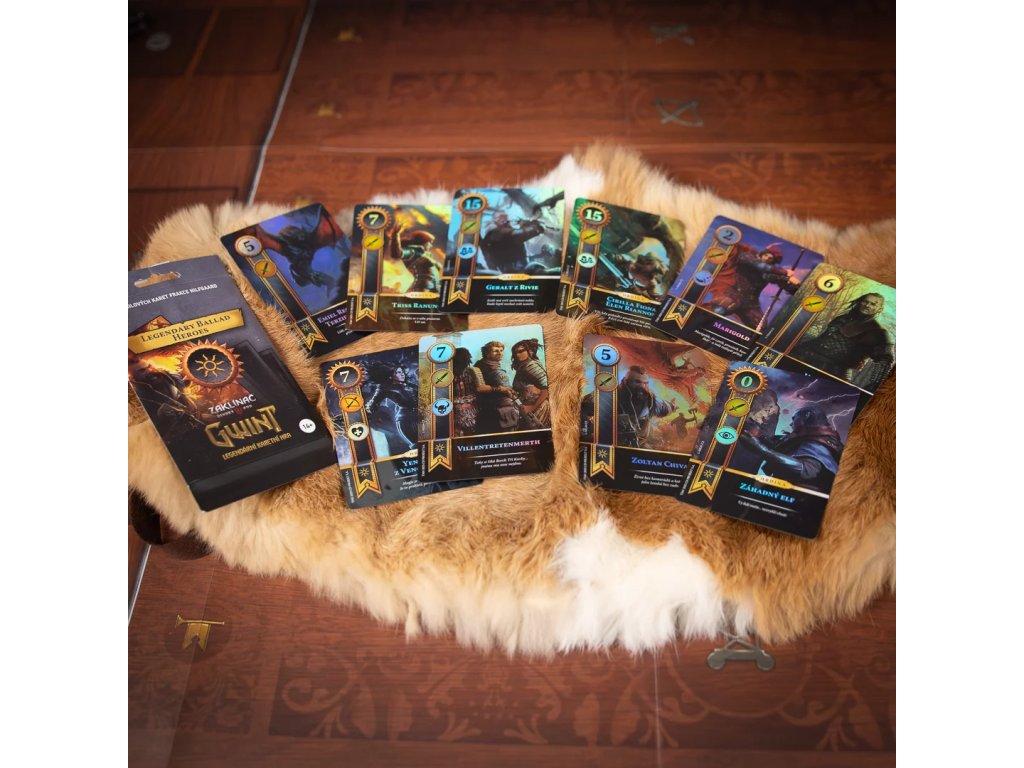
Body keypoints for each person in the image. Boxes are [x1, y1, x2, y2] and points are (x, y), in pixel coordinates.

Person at [791, 292, 894, 390]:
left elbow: (885, 361)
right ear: (860, 302)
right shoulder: (842, 319)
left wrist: (874, 386)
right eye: (865, 301)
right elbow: (822, 339)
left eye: (873, 304)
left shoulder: (878, 332)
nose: (867, 305)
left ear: (880, 309)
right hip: (807, 359)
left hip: (836, 373)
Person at [737, 406, 844, 493]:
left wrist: (762, 450)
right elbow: (783, 446)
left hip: (795, 497)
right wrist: (759, 437)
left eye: (794, 419)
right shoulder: (807, 437)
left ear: (806, 417)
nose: (791, 424)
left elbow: (806, 470)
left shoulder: (818, 443)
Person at [703, 242, 799, 329]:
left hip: (750, 304)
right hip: (732, 294)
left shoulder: (770, 272)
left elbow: (775, 278)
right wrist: (784, 272)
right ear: (762, 253)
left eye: (771, 258)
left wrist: (792, 284)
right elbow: (760, 266)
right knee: (725, 306)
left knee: (760, 327)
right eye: (766, 255)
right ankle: (699, 320)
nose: (767, 258)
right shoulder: (747, 256)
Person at [582, 365, 676, 448]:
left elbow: (665, 407)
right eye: (638, 382)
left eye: (646, 383)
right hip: (609, 445)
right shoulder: (608, 395)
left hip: (639, 446)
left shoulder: (651, 401)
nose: (642, 386)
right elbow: (582, 408)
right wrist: (587, 433)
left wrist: (672, 406)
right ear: (626, 381)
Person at [363, 360, 418, 455]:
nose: (402, 374)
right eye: (398, 372)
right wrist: (368, 410)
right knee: (417, 447)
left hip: (422, 416)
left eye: (402, 371)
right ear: (391, 375)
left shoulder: (412, 386)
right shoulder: (385, 388)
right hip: (406, 420)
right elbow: (372, 404)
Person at [473, 341, 519, 433]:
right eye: (496, 351)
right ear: (487, 353)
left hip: (502, 405)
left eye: (501, 351)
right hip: (495, 408)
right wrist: (500, 389)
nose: (500, 353)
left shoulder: (492, 365)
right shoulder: (483, 367)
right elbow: (479, 388)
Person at [479, 213, 545, 273]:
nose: (508, 223)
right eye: (504, 221)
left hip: (514, 270)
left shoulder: (495, 236)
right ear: (495, 222)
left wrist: (525, 226)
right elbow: (520, 234)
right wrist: (534, 226)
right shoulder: (497, 233)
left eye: (508, 220)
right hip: (515, 271)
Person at [510, 338, 550, 429]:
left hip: (538, 409)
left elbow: (547, 388)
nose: (517, 355)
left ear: (530, 351)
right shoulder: (524, 366)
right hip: (528, 409)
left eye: (521, 351)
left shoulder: (530, 365)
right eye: (515, 352)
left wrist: (532, 407)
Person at [389, 227, 440, 293]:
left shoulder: (426, 254)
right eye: (430, 242)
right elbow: (397, 254)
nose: (431, 245)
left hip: (434, 287)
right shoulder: (414, 251)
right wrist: (395, 235)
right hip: (422, 287)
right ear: (423, 242)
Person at [451, 347, 484, 436]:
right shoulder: (472, 371)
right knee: (468, 432)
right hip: (467, 407)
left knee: (460, 432)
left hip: (462, 407)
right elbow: (480, 388)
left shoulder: (451, 374)